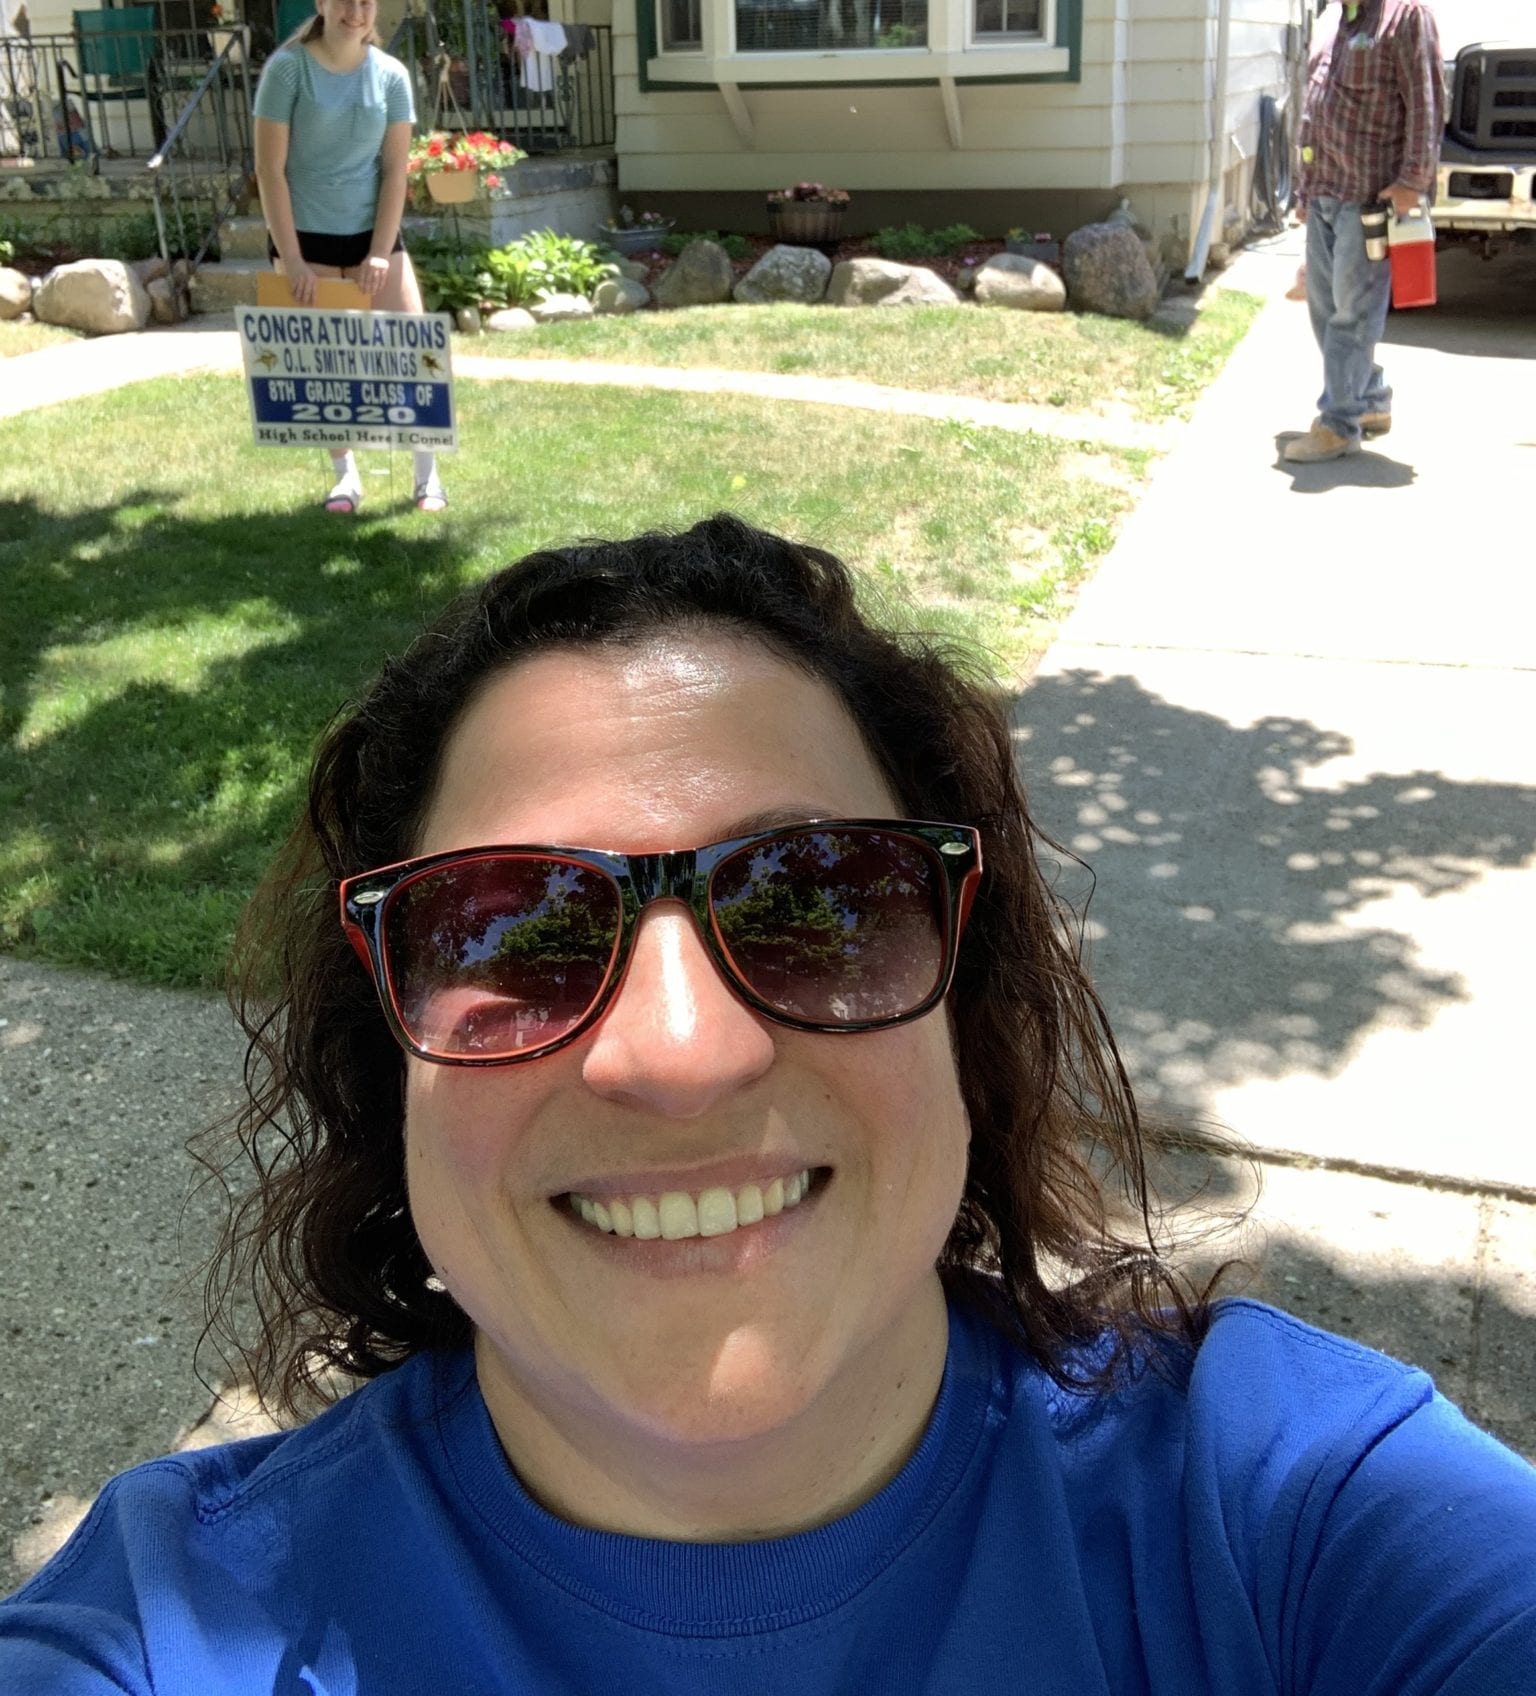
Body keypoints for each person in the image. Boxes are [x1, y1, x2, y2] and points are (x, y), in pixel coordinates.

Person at [3, 516, 1534, 1694]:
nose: (680, 1052)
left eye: (818, 904)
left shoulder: (1299, 1519)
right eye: (514, 935)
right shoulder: (168, 1632)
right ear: (386, 1054)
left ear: (964, 1002)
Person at [253, 0, 447, 513]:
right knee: (325, 367)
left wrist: (380, 253)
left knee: (414, 351)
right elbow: (270, 171)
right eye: (343, 0)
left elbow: (395, 171)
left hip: (372, 237)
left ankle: (427, 477)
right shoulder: (287, 71)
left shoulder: (391, 75)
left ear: (374, 10)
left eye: (365, 3)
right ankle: (346, 479)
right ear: (321, 4)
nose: (354, 12)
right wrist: (291, 259)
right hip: (304, 238)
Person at [1287, 0, 1445, 463]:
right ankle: (1370, 397)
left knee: (1350, 316)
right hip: (1325, 192)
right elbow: (1316, 108)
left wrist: (1412, 181)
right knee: (1325, 311)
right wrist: (1304, 191)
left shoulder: (1406, 13)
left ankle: (1339, 424)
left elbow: (1426, 103)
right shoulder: (1334, 14)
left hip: (1371, 200)